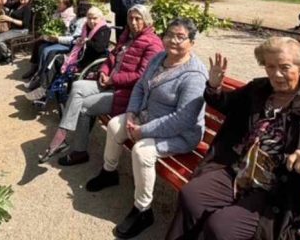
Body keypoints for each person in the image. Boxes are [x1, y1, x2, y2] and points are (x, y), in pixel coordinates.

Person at [166, 36, 300, 240]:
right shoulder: (259, 89)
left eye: (285, 67)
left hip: (277, 191)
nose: (276, 74)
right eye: (270, 67)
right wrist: (214, 86)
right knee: (192, 195)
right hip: (239, 170)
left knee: (221, 226)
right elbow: (226, 104)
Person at [85, 18, 208, 239]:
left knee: (142, 151)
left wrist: (144, 130)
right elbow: (141, 87)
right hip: (144, 117)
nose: (173, 40)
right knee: (115, 125)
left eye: (180, 37)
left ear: (192, 42)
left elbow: (183, 119)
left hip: (182, 133)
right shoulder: (160, 57)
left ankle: (143, 210)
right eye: (169, 34)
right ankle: (109, 172)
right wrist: (131, 113)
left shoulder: (194, 75)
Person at [38, 4, 164, 165]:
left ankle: (79, 151)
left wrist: (113, 80)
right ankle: (62, 135)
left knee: (84, 107)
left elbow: (142, 76)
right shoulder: (127, 36)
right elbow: (111, 57)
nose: (133, 22)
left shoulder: (153, 44)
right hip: (109, 82)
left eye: (137, 19)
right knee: (77, 86)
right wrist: (104, 71)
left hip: (126, 94)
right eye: (130, 18)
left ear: (146, 21)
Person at [25, 6, 111, 103]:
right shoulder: (86, 27)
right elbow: (81, 38)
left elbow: (99, 48)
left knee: (56, 58)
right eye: (89, 18)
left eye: (94, 18)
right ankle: (43, 87)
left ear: (101, 18)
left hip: (90, 61)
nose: (91, 21)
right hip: (80, 56)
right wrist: (80, 39)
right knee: (56, 57)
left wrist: (86, 41)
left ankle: (44, 89)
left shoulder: (104, 30)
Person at [22, 0, 76, 79]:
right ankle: (34, 68)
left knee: (43, 47)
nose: (57, 4)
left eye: (59, 3)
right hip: (54, 37)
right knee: (38, 43)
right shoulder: (58, 12)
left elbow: (66, 31)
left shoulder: (71, 15)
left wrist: (53, 35)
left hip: (61, 38)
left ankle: (39, 72)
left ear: (66, 5)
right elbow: (52, 22)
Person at [0, 0, 33, 65]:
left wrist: (10, 19)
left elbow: (24, 24)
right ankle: (3, 55)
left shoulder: (27, 8)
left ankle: (8, 56)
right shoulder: (18, 4)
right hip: (13, 29)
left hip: (21, 30)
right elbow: (6, 4)